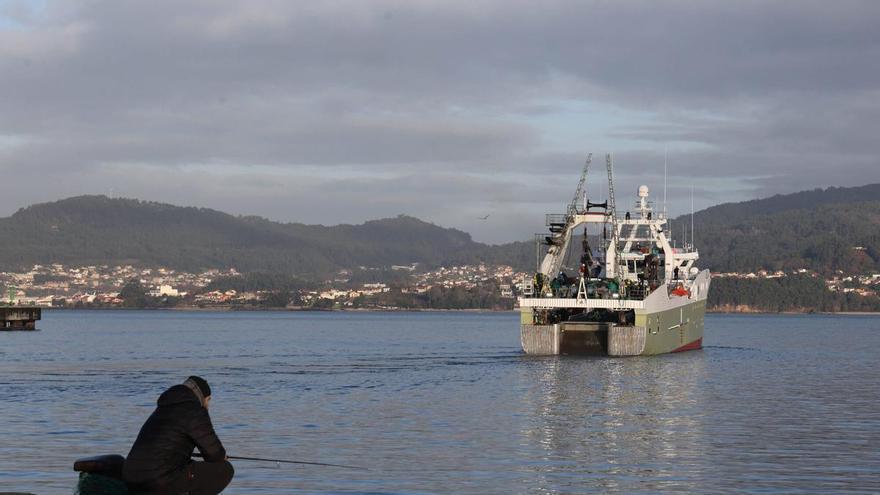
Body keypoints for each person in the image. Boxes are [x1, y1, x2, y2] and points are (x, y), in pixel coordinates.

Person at [123, 376, 234, 494]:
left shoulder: (162, 409)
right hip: (157, 481)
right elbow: (214, 454)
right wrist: (222, 456)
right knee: (225, 470)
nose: (207, 405)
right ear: (202, 397)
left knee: (187, 465)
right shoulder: (194, 410)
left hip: (131, 478)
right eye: (208, 400)